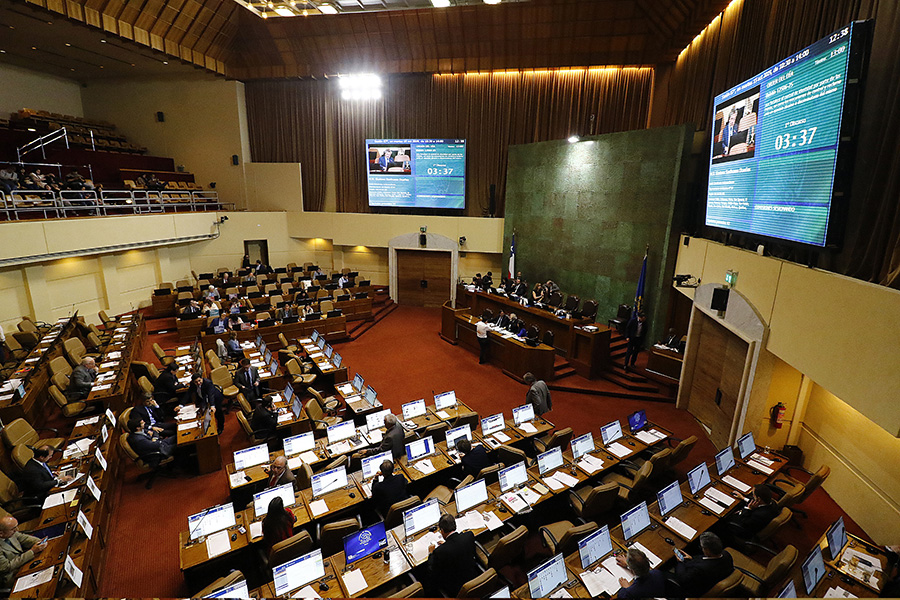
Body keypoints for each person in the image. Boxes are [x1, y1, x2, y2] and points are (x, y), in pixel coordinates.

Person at [425, 514, 479, 597]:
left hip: (455, 587)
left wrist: (431, 553)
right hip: (472, 575)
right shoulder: (469, 535)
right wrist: (447, 544)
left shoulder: (440, 552)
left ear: (442, 530)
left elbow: (431, 570)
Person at [671, 532, 733, 596]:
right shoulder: (726, 554)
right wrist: (692, 558)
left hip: (700, 589)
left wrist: (680, 562)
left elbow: (682, 579)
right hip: (716, 577)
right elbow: (704, 559)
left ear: (707, 550)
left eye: (703, 547)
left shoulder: (700, 569)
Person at [0, 516, 47, 587]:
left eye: (16, 527)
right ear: (1, 533)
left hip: (23, 562)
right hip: (12, 574)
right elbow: (7, 567)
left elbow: (25, 539)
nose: (17, 530)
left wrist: (39, 542)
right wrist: (32, 552)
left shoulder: (11, 532)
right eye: (13, 529)